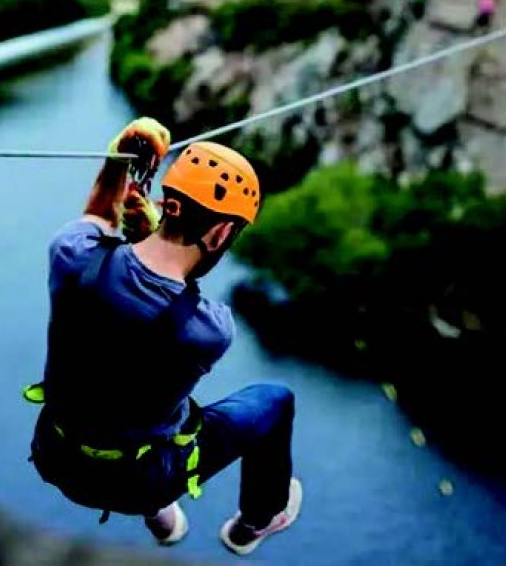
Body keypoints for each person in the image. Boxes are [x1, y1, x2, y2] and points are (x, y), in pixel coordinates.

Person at [26, 117, 301, 556]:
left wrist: (118, 160)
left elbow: (97, 217)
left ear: (168, 203)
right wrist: (144, 233)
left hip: (56, 457)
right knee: (274, 401)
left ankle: (164, 518)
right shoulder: (210, 329)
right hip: (141, 484)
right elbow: (161, 306)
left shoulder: (71, 258)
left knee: (121, 405)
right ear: (221, 232)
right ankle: (253, 523)